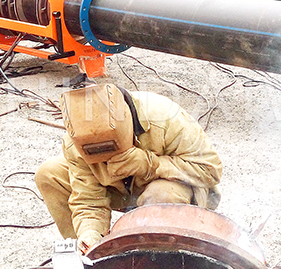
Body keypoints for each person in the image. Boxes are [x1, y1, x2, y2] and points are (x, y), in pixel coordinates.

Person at [35, 83, 223, 253]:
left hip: (172, 186)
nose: (109, 162)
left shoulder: (165, 118)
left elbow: (211, 171)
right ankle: (91, 259)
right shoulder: (76, 140)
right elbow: (89, 201)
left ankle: (157, 260)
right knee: (49, 174)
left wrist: (152, 164)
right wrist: (90, 234)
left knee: (161, 195)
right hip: (124, 192)